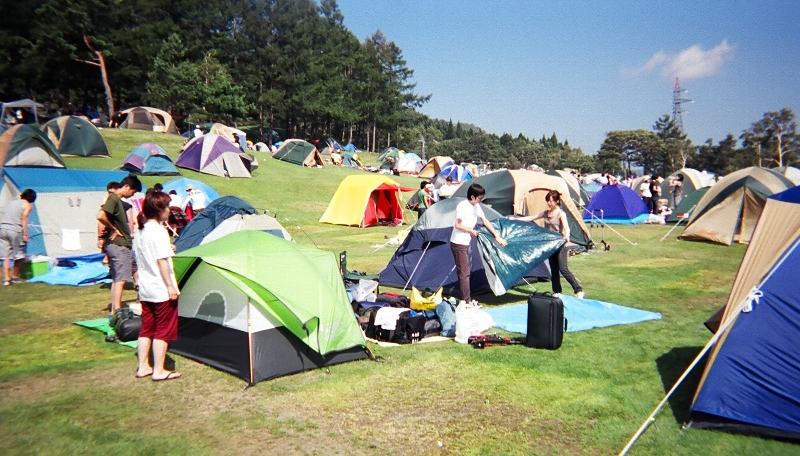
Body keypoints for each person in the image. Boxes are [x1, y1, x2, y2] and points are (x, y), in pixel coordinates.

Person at [133, 190, 181, 381]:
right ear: (159, 210)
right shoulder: (160, 231)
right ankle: (159, 370)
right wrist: (170, 286)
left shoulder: (140, 230)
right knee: (163, 329)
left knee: (146, 328)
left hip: (146, 288)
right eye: (167, 207)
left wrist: (168, 248)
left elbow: (147, 254)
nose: (169, 210)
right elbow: (161, 261)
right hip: (160, 288)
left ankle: (143, 366)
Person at [511, 190, 584, 299]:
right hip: (550, 245)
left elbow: (566, 227)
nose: (549, 203)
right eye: (548, 201)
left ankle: (578, 290)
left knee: (563, 269)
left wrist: (567, 235)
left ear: (557, 201)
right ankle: (557, 291)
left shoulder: (561, 213)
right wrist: (516, 219)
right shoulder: (546, 213)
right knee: (554, 269)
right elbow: (532, 217)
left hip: (560, 244)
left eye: (551, 201)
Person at [450, 183, 507, 306]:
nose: (481, 200)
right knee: (464, 273)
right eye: (480, 198)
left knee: (467, 271)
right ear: (472, 196)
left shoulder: (476, 206)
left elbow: (485, 220)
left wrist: (496, 236)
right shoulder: (463, 206)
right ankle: (466, 302)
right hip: (458, 242)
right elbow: (457, 225)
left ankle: (466, 300)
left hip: (466, 242)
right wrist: (470, 231)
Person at [97, 175, 143, 314]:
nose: (132, 195)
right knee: (121, 280)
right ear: (127, 187)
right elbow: (100, 216)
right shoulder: (114, 198)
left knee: (124, 275)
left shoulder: (117, 200)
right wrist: (113, 229)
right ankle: (116, 311)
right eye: (133, 192)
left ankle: (118, 309)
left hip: (123, 245)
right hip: (119, 245)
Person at [0, 189, 36, 286]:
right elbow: (24, 218)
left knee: (6, 256)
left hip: (3, 229)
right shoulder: (27, 205)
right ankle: (15, 277)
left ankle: (7, 279)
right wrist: (25, 234)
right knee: (19, 254)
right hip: (15, 230)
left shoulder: (12, 202)